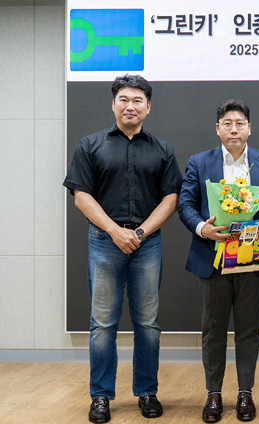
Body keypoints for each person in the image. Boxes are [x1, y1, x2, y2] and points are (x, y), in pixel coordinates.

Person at [63, 75, 182, 423]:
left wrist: (140, 232)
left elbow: (171, 198)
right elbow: (81, 196)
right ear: (113, 104)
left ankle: (147, 392)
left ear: (148, 107)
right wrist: (115, 231)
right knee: (102, 323)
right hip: (105, 241)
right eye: (124, 99)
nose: (130, 106)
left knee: (148, 322)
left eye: (137, 100)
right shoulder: (89, 145)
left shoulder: (162, 150)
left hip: (147, 244)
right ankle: (101, 396)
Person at [178, 99, 259, 423]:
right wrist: (203, 227)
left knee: (249, 328)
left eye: (240, 123)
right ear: (218, 128)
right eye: (227, 123)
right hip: (212, 259)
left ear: (249, 128)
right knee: (213, 329)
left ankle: (245, 393)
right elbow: (185, 204)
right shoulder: (200, 162)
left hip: (252, 258)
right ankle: (213, 393)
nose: (234, 129)